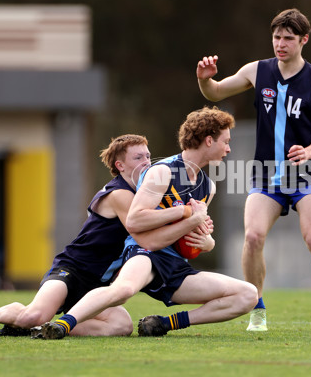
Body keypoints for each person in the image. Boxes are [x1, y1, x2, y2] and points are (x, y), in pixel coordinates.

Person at [196, 8, 311, 332]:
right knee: (253, 236)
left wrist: (309, 151)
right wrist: (205, 79)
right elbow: (215, 93)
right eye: (276, 37)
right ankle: (257, 310)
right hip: (265, 172)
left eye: (288, 38)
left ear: (304, 40)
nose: (280, 44)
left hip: (305, 173)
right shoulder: (257, 71)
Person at [33, 106, 258, 339]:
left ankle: (164, 323)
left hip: (174, 265)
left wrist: (207, 241)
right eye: (226, 141)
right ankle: (63, 325)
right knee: (124, 289)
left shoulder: (207, 187)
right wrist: (186, 213)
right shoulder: (162, 172)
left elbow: (194, 235)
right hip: (145, 253)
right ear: (209, 141)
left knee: (247, 295)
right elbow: (135, 219)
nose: (229, 148)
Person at [0, 134, 151, 337]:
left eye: (148, 156)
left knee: (121, 325)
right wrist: (183, 213)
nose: (147, 162)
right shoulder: (120, 194)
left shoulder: (142, 195)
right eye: (138, 157)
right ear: (120, 166)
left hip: (96, 285)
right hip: (72, 270)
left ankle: (43, 328)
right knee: (33, 315)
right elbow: (144, 230)